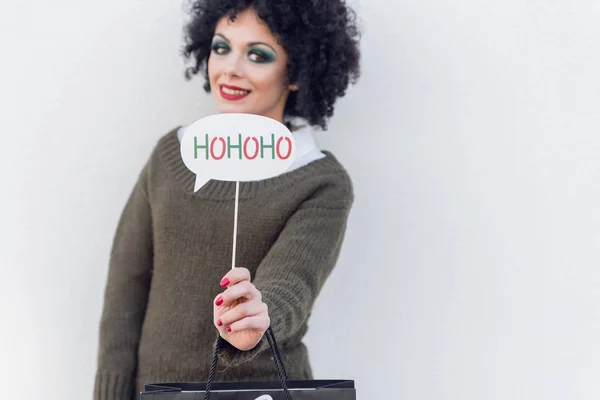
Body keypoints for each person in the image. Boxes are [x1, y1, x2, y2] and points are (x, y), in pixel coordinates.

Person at [93, 0, 361, 399]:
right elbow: (124, 293)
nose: (230, 68)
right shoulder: (171, 155)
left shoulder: (320, 180)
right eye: (221, 47)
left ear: (297, 73)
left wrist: (260, 312)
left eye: (258, 54)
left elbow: (291, 287)